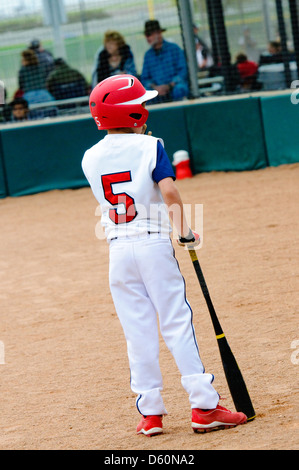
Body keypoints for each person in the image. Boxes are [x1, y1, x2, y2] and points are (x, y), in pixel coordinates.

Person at [81, 74, 248, 436]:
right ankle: (203, 405)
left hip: (118, 252)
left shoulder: (89, 157)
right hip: (153, 244)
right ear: (131, 114)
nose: (144, 109)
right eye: (140, 104)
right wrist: (185, 232)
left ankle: (151, 413)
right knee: (176, 322)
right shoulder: (151, 145)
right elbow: (169, 193)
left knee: (136, 330)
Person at [141, 19, 189, 103]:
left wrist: (169, 85)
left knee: (180, 89)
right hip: (156, 91)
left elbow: (183, 72)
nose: (147, 38)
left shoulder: (174, 49)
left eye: (149, 34)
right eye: (146, 35)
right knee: (145, 95)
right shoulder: (148, 55)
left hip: (174, 87)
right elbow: (145, 78)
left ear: (159, 34)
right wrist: (155, 88)